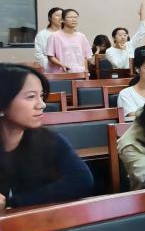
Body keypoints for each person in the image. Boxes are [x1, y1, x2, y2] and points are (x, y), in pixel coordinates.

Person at [0, 64, 93, 209]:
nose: (42, 105)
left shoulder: (50, 140)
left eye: (41, 96)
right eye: (31, 97)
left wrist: (14, 202)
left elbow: (82, 180)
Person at [45, 8, 91, 73]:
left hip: (79, 73)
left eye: (75, 17)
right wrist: (61, 65)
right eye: (70, 17)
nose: (74, 19)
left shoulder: (81, 36)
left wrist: (85, 70)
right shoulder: (54, 36)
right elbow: (50, 56)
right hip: (60, 73)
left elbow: (85, 56)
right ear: (62, 20)